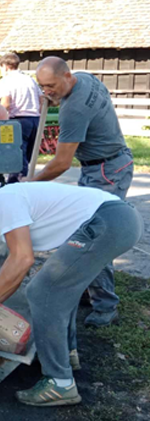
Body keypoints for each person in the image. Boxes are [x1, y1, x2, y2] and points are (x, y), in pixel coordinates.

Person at [0, 177, 142, 406]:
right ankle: (66, 354)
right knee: (62, 287)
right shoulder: (15, 196)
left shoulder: (3, 199)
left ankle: (60, 383)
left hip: (108, 221)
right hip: (119, 219)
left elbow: (22, 259)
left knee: (41, 292)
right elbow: (19, 262)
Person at [32, 56, 134, 327]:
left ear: (67, 77)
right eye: (42, 87)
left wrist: (31, 183)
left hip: (106, 171)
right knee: (86, 230)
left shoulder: (73, 111)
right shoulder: (87, 78)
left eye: (51, 85)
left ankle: (106, 305)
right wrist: (54, 97)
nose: (47, 92)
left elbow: (61, 163)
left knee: (97, 236)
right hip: (110, 162)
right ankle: (90, 291)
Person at [0, 52, 43, 183]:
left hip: (18, 120)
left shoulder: (6, 81)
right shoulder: (30, 80)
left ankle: (15, 185)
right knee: (28, 158)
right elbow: (42, 100)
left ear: (5, 66)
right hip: (35, 119)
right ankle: (25, 181)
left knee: (16, 158)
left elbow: (5, 103)